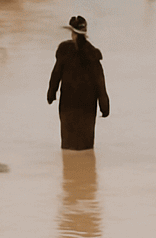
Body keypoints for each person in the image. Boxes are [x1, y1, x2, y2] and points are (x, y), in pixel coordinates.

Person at [47, 15, 110, 150]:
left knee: (68, 145)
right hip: (87, 107)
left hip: (68, 105)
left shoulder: (64, 50)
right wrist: (104, 105)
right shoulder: (93, 54)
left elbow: (56, 74)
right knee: (86, 146)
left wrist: (51, 93)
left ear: (72, 33)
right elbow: (100, 83)